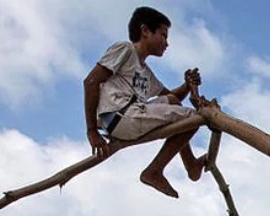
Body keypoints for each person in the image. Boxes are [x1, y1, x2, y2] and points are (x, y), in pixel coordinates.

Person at [83, 6, 207, 198]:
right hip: (120, 115)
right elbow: (91, 81)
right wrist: (92, 131)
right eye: (163, 35)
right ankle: (154, 171)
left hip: (131, 115)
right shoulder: (125, 49)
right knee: (195, 118)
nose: (166, 43)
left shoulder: (145, 72)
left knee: (175, 104)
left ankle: (190, 164)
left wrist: (187, 84)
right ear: (145, 31)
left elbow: (172, 99)